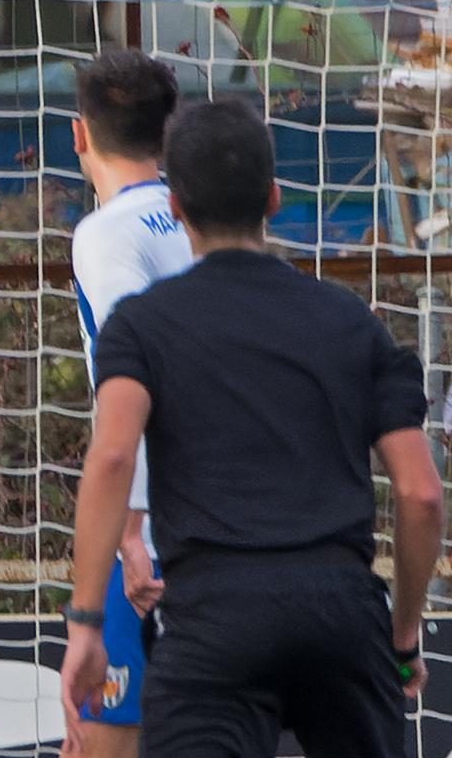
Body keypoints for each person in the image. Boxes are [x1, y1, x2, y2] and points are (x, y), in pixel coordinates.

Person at [60, 99, 444, 757]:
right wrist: (402, 637)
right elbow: (421, 492)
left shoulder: (142, 325)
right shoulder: (350, 322)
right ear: (273, 198)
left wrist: (87, 623)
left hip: (212, 616)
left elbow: (113, 457)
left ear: (175, 205)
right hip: (340, 609)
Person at [64, 49, 194, 757]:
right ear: (166, 133)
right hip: (225, 513)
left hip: (149, 521)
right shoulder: (199, 217)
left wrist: (131, 530)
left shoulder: (105, 233)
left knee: (105, 739)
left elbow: (131, 383)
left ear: (79, 134)